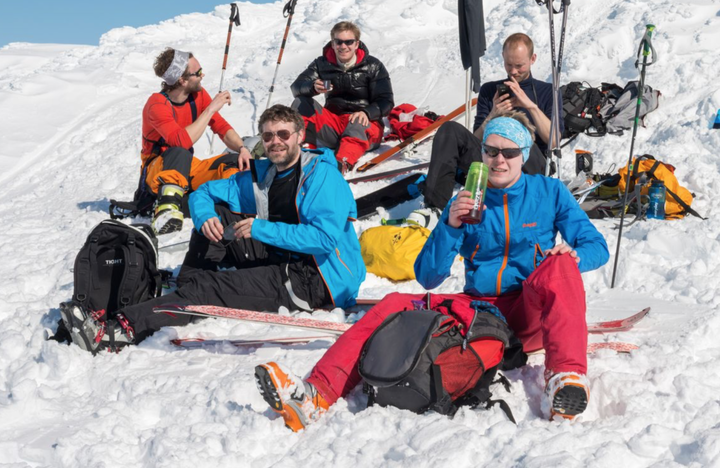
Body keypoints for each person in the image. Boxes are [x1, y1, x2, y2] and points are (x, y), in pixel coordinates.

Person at [254, 111, 609, 431]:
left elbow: (597, 247)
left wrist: (572, 254)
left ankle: (565, 378)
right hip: (482, 312)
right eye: (491, 151)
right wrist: (451, 225)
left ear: (524, 155)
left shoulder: (549, 192)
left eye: (509, 152)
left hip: (530, 310)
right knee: (393, 303)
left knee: (560, 264)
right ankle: (315, 394)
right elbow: (428, 276)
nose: (499, 160)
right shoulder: (467, 199)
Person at [61, 104, 366, 353]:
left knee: (210, 289)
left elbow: (324, 239)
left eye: (283, 134)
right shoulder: (265, 174)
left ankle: (121, 330)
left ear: (299, 136)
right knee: (219, 214)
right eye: (268, 136)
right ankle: (188, 287)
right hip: (282, 254)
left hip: (316, 279)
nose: (276, 142)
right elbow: (202, 194)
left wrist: (261, 229)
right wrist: (207, 217)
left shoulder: (321, 177)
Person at [354, 33, 554, 219]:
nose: (513, 71)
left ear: (533, 59)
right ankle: (434, 208)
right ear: (502, 57)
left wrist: (530, 106)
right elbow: (475, 140)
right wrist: (493, 114)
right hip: (492, 160)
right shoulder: (490, 90)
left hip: (528, 167)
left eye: (519, 65)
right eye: (508, 64)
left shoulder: (546, 91)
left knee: (519, 134)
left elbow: (554, 140)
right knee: (449, 129)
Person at [140, 48, 249, 234]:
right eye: (197, 72)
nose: (202, 74)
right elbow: (180, 141)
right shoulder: (157, 104)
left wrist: (242, 148)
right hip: (158, 170)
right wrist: (210, 109)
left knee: (233, 162)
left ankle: (229, 203)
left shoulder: (197, 96)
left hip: (187, 167)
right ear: (182, 80)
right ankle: (166, 209)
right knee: (179, 152)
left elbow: (221, 127)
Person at [290, 21, 395, 172]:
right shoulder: (322, 64)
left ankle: (341, 163)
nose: (343, 46)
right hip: (334, 125)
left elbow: (386, 101)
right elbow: (296, 87)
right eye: (338, 42)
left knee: (357, 121)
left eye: (349, 42)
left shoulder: (373, 66)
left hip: (366, 125)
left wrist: (367, 112)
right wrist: (311, 87)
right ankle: (305, 152)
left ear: (356, 43)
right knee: (301, 102)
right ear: (332, 44)